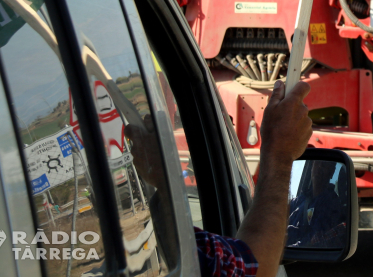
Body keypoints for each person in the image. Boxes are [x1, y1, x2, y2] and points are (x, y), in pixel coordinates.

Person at [127, 79, 313, 277]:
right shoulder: (201, 253)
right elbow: (253, 269)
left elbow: (180, 251)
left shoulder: (176, 247)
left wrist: (163, 181)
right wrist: (279, 155)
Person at [287, 160, 346, 249]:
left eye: (324, 165)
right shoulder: (299, 200)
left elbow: (313, 240)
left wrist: (289, 248)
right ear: (311, 168)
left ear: (332, 172)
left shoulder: (331, 205)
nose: (319, 167)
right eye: (316, 163)